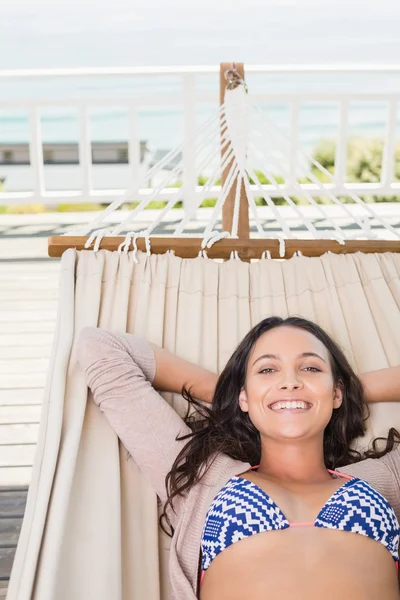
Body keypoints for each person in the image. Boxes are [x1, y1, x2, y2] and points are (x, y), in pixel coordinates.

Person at [78, 316, 400, 600]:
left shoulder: (387, 478)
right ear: (243, 395)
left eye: (311, 368)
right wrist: (234, 394)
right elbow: (102, 348)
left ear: (337, 392)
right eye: (268, 370)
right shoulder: (202, 477)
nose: (290, 381)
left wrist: (344, 394)